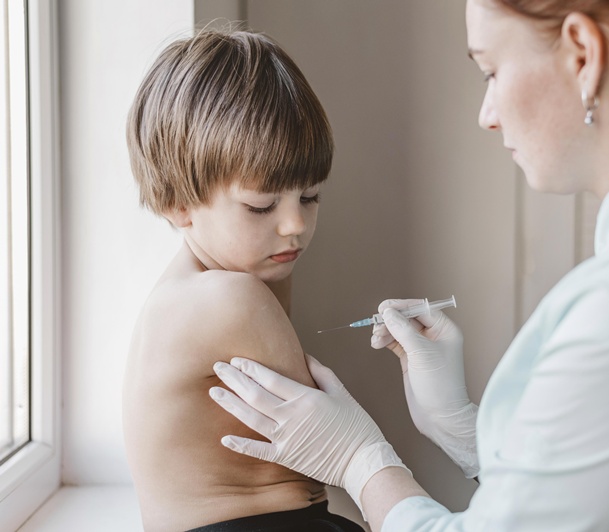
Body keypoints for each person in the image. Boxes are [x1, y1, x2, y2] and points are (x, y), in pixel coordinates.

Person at [209, 0, 609, 530]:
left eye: (491, 71)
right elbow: (606, 482)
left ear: (582, 55)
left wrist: (358, 459)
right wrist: (462, 428)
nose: (486, 114)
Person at [122, 29, 366, 532]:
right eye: (261, 205)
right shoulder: (232, 298)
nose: (294, 223)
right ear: (178, 206)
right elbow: (330, 455)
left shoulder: (209, 281)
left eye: (311, 196)